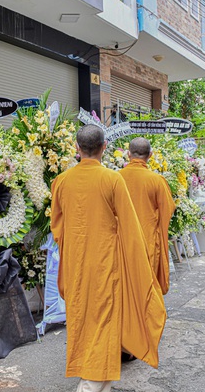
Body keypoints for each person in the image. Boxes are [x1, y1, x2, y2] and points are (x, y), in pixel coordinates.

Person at [50, 125, 167, 392]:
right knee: (102, 320)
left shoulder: (61, 181)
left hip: (74, 263)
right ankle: (89, 383)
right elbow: (130, 227)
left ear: (77, 149)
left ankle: (90, 374)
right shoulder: (112, 180)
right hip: (105, 263)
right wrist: (140, 271)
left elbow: (57, 227)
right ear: (104, 147)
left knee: (81, 317)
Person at [120, 137, 176, 295]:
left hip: (121, 240)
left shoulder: (115, 178)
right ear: (150, 155)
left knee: (123, 285)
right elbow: (168, 209)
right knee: (146, 286)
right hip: (147, 240)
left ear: (128, 154)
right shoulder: (157, 181)